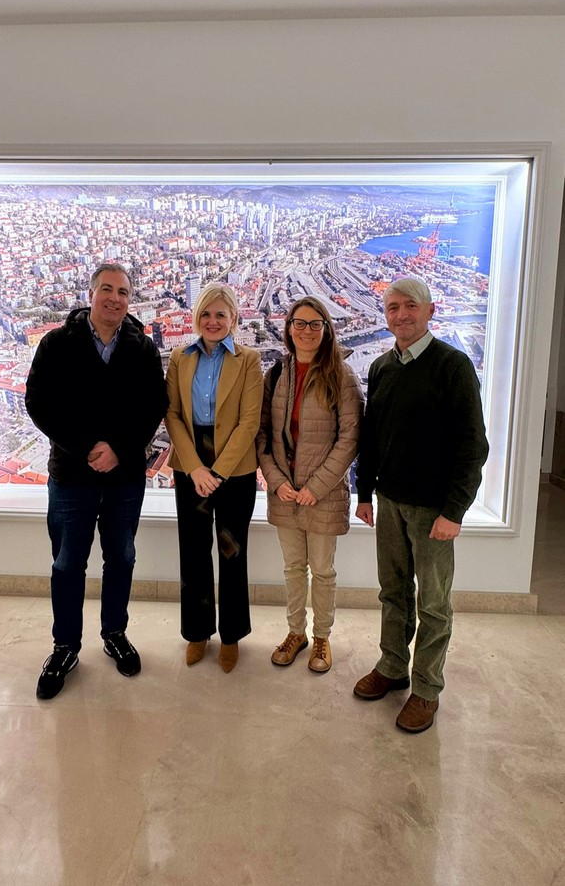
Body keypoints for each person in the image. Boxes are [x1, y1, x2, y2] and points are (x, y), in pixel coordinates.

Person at [25, 263, 168, 699]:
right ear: (90, 294)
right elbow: (38, 403)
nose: (115, 298)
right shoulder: (56, 343)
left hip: (124, 477)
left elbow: (154, 406)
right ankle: (65, 647)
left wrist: (119, 449)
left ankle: (114, 633)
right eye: (107, 289)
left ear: (129, 300)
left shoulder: (142, 347)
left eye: (123, 292)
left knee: (121, 558)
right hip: (72, 475)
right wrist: (86, 448)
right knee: (68, 564)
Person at [354, 276, 489, 732]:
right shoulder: (381, 367)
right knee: (392, 591)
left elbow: (473, 445)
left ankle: (427, 689)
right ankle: (392, 666)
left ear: (430, 311)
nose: (401, 315)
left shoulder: (453, 366)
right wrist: (365, 493)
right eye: (392, 308)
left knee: (433, 603)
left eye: (410, 305)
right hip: (390, 502)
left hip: (434, 509)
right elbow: (372, 437)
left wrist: (455, 511)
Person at [256, 297, 363, 673]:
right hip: (285, 492)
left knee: (322, 570)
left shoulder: (342, 376)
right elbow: (262, 435)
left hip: (324, 495)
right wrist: (276, 481)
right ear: (288, 329)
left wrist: (316, 487)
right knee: (292, 568)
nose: (306, 331)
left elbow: (350, 438)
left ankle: (321, 637)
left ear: (326, 329)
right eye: (299, 323)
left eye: (315, 324)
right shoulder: (276, 374)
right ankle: (295, 632)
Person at [165, 284, 263, 673]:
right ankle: (197, 632)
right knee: (193, 551)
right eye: (206, 314)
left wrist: (218, 471)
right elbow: (172, 414)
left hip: (234, 468)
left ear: (233, 319)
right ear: (196, 318)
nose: (212, 321)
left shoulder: (248, 360)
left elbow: (249, 422)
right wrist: (195, 468)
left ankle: (232, 635)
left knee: (230, 552)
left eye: (221, 314)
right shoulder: (180, 357)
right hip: (191, 462)